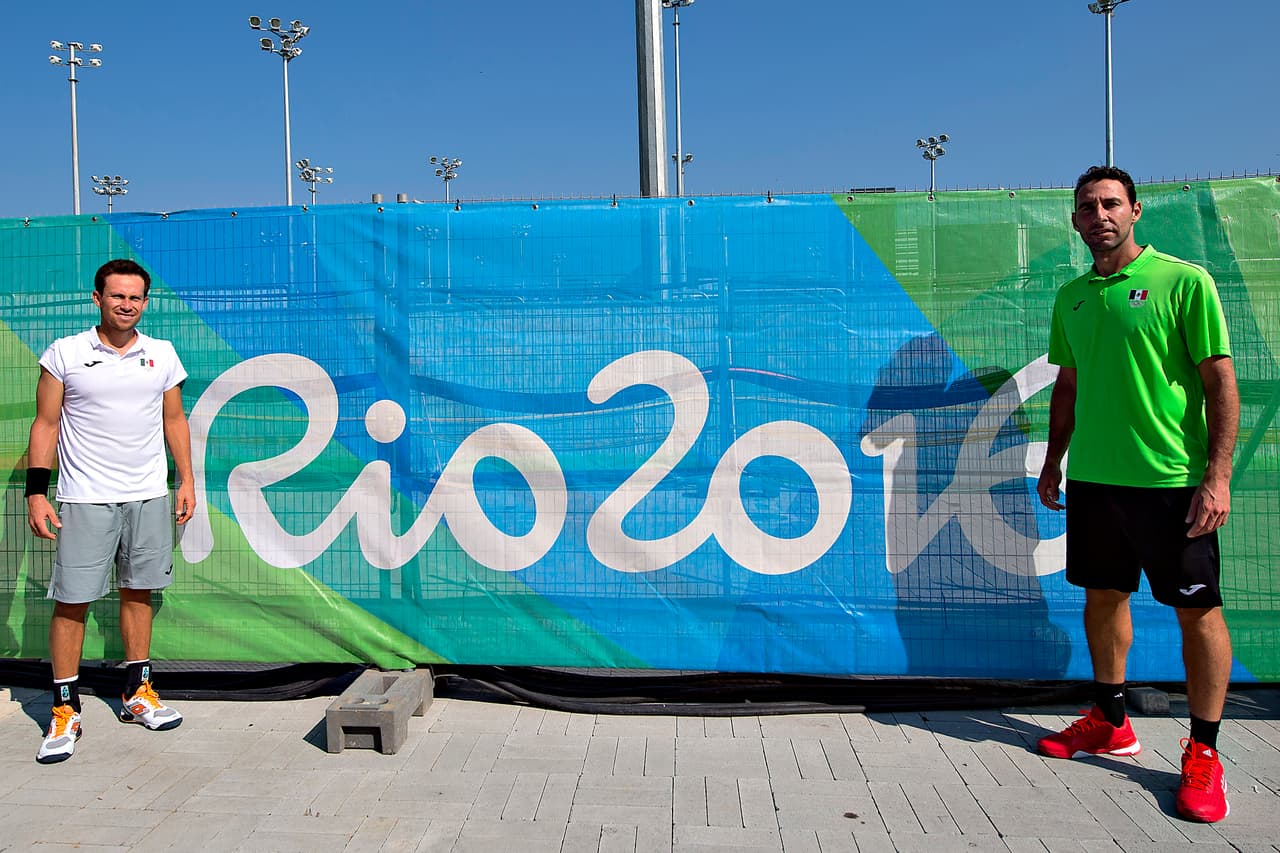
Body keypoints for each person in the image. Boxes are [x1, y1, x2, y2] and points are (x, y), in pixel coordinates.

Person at [1035, 166, 1239, 823]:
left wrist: (1217, 475)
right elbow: (1069, 386)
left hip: (1172, 483)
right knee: (1102, 598)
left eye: (1111, 203)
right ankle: (1111, 720)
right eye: (1087, 207)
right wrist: (1054, 462)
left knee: (1197, 611)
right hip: (1096, 482)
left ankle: (1204, 752)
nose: (1099, 215)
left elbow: (1220, 381)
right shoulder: (1071, 296)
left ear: (1135, 210)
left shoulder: (1184, 281)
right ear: (1075, 220)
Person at [26, 258, 195, 764]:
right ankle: (64, 708)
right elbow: (45, 424)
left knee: (138, 591)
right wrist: (36, 493)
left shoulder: (162, 354)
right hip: (84, 497)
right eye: (117, 296)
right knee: (72, 601)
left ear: (145, 302)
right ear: (97, 299)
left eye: (135, 297)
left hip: (149, 495)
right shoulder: (65, 353)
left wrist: (186, 480)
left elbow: (174, 419)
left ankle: (137, 693)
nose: (127, 304)